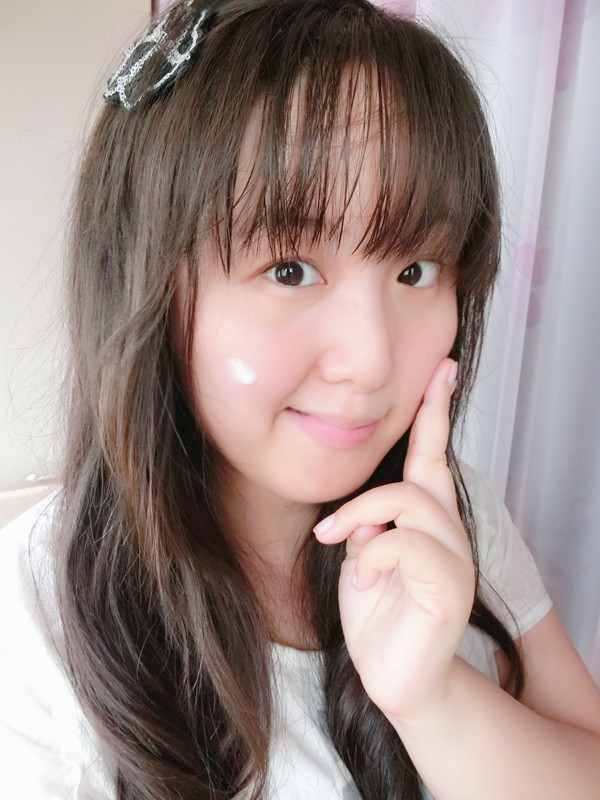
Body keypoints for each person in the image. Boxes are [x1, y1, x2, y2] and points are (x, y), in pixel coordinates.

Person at [1, 1, 599, 798]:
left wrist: (434, 701)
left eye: (416, 270)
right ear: (145, 281)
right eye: (289, 270)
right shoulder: (34, 623)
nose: (372, 360)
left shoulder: (447, 515)